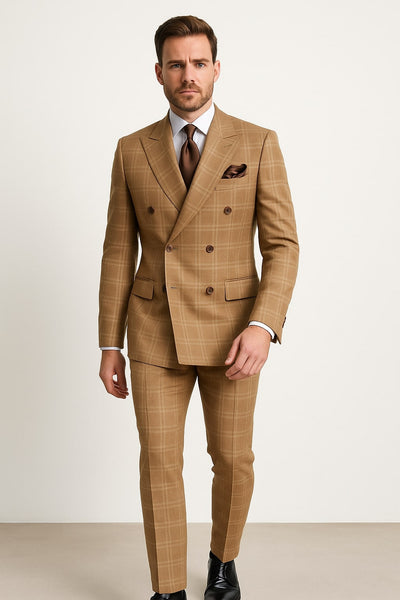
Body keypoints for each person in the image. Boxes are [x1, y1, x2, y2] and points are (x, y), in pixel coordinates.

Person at [99, 15, 299, 600]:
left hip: (233, 331)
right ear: (158, 72)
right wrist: (110, 342)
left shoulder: (256, 142)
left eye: (199, 63)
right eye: (176, 64)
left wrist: (263, 324)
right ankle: (167, 589)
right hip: (154, 327)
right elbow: (118, 251)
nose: (188, 75)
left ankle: (222, 561)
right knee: (159, 461)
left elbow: (282, 245)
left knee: (233, 459)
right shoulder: (131, 150)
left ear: (216, 69)